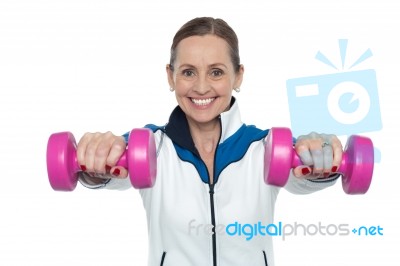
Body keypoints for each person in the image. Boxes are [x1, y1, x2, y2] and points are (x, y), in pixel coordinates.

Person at [77, 17, 343, 266]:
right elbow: (108, 171)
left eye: (216, 72)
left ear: (238, 76)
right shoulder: (151, 147)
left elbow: (302, 178)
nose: (201, 87)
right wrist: (97, 156)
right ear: (171, 76)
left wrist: (321, 155)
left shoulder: (265, 147)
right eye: (188, 72)